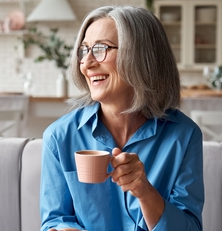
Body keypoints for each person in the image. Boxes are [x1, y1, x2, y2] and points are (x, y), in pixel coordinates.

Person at [40, 5, 204, 231]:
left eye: (101, 49)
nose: (86, 63)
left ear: (141, 56)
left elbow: (190, 227)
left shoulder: (184, 136)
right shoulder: (59, 138)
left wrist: (145, 191)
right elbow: (54, 220)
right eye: (83, 50)